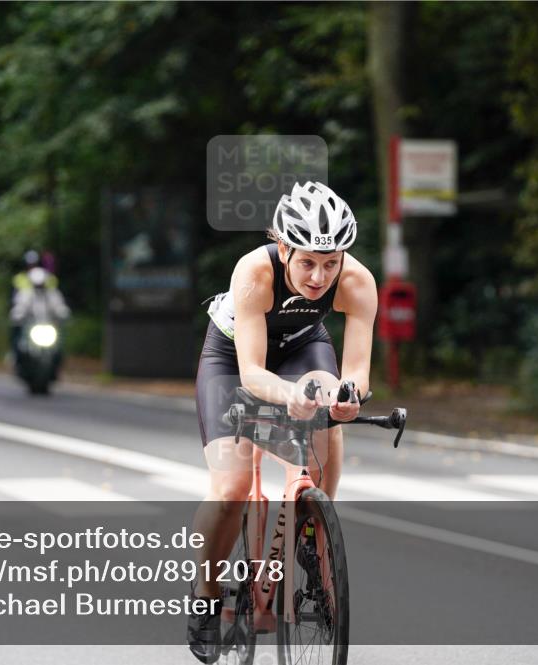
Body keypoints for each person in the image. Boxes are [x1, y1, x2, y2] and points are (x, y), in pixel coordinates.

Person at [187, 181, 377, 663]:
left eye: (330, 262)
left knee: (326, 420)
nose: (319, 276)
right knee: (231, 487)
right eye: (308, 261)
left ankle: (313, 533)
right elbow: (251, 374)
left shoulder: (357, 282)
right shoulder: (253, 272)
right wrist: (290, 395)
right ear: (284, 247)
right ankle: (206, 596)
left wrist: (346, 396)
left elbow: (354, 370)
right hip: (232, 357)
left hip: (301, 347)